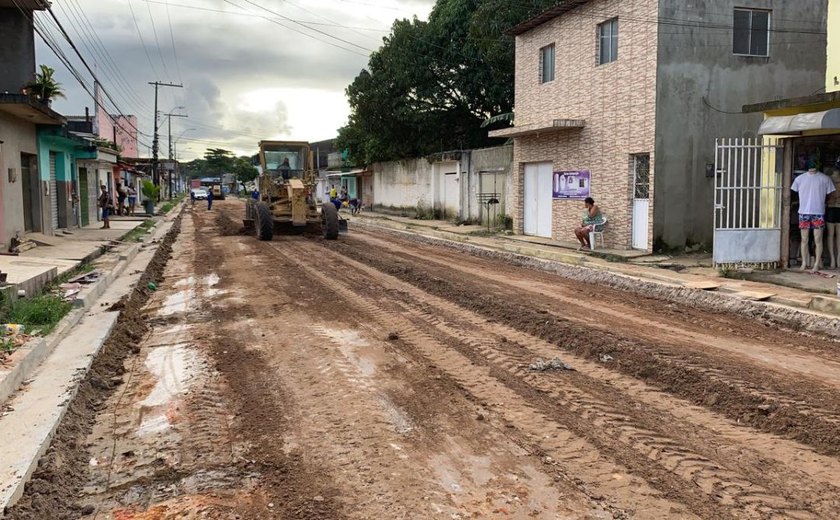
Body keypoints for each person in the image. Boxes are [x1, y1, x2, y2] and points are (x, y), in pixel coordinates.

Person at [792, 167, 836, 272]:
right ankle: (804, 262)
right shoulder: (799, 179)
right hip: (804, 212)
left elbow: (832, 194)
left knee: (818, 239)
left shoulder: (825, 179)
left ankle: (816, 264)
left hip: (818, 212)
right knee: (804, 239)